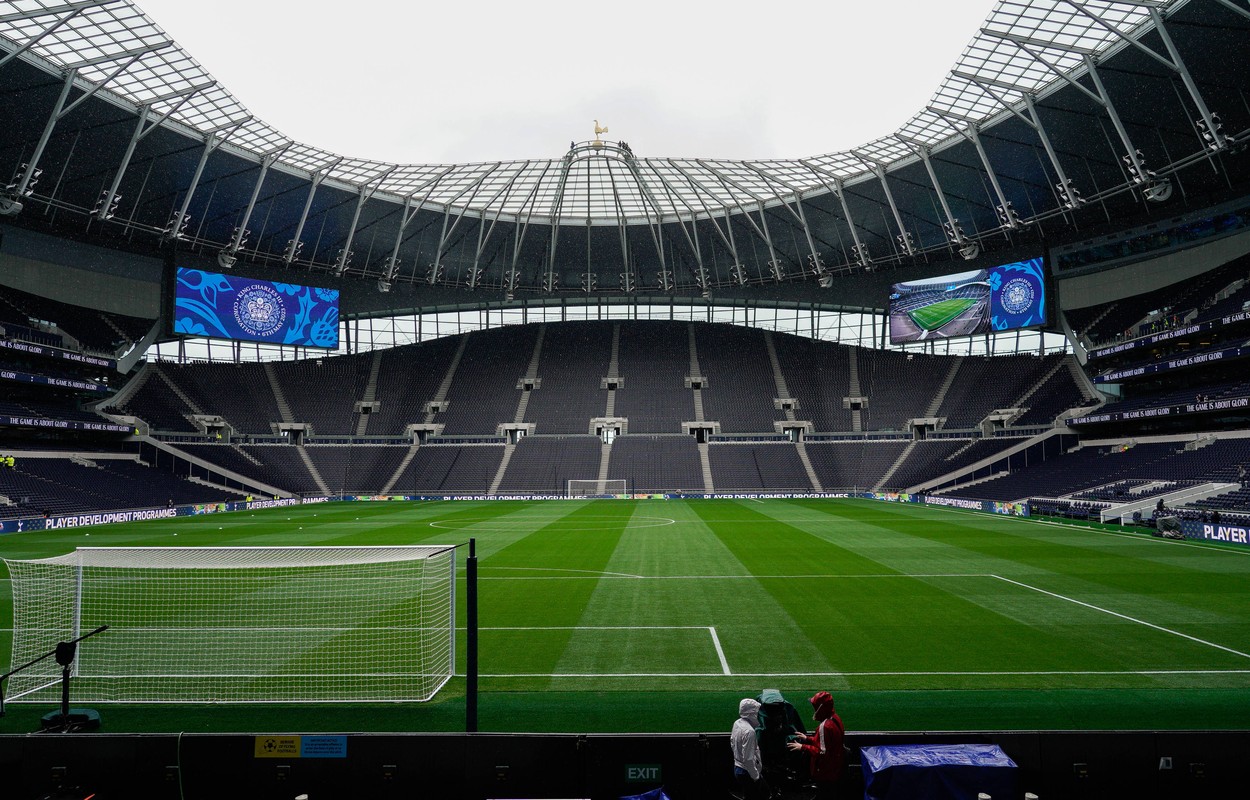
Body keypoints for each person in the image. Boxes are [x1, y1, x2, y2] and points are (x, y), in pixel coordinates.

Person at [787, 691, 845, 799]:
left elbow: (822, 752)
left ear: (820, 707)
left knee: (824, 793)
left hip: (826, 771)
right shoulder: (835, 718)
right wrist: (808, 739)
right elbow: (828, 743)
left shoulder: (825, 726)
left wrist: (803, 747)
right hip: (835, 767)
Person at [731, 698, 768, 800]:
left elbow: (733, 744)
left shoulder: (737, 723)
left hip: (739, 768)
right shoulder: (749, 732)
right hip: (747, 772)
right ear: (752, 713)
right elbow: (748, 759)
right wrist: (756, 776)